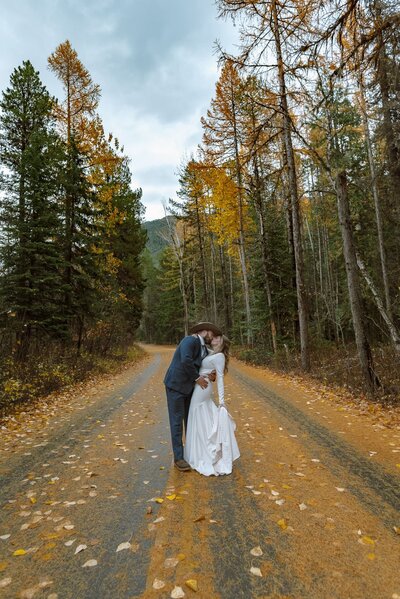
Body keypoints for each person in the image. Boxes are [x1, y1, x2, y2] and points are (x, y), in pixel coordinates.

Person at [164, 321, 223, 471]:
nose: (214, 337)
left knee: (190, 420)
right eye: (213, 334)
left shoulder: (204, 347)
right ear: (206, 331)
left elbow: (200, 365)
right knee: (177, 421)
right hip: (176, 385)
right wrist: (197, 378)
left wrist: (209, 374)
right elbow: (186, 360)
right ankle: (178, 458)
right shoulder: (190, 340)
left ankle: (191, 453)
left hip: (189, 387)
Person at [184, 334, 240, 476]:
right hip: (202, 384)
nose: (214, 339)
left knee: (195, 412)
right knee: (200, 415)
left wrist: (222, 401)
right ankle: (202, 448)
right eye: (214, 337)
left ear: (223, 343)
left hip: (203, 387)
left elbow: (220, 378)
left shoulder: (220, 356)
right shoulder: (211, 353)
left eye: (218, 338)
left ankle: (203, 453)